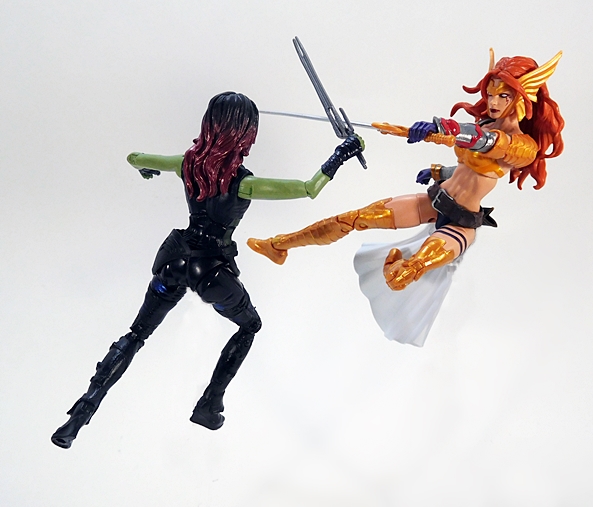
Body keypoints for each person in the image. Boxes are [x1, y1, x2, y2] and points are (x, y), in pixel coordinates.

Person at [51, 91, 364, 448]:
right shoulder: (243, 184)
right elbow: (308, 189)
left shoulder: (187, 164)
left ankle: (78, 417)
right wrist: (341, 154)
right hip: (209, 270)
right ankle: (209, 404)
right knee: (250, 325)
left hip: (173, 258)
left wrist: (145, 168)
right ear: (245, 134)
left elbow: (134, 157)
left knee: (136, 334)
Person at [248, 50, 564, 293]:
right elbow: (470, 167)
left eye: (503, 96)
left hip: (461, 224)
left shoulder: (524, 147)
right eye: (490, 94)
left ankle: (395, 267)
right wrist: (436, 167)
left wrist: (449, 129)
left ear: (521, 98)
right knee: (354, 218)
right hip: (435, 200)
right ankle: (278, 245)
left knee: (405, 274)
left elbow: (486, 143)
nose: (493, 102)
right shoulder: (483, 124)